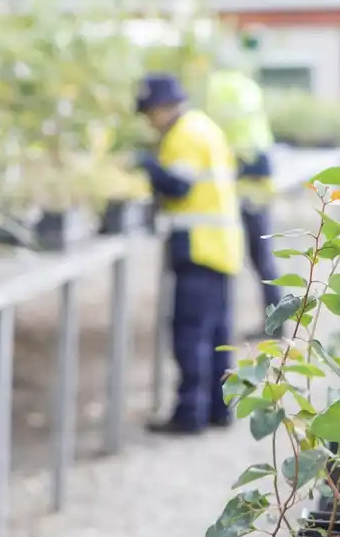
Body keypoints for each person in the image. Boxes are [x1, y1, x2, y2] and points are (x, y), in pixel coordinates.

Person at [134, 73, 244, 435]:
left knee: (190, 334)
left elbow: (179, 186)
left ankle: (189, 414)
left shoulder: (185, 135)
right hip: (220, 247)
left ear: (161, 107)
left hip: (200, 248)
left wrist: (147, 165)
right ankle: (218, 409)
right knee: (216, 336)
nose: (149, 122)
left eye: (149, 113)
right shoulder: (204, 127)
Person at [206, 65, 285, 341]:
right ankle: (275, 324)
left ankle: (273, 325)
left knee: (256, 260)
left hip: (245, 193)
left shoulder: (219, 90)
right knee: (261, 260)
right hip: (253, 191)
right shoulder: (245, 89)